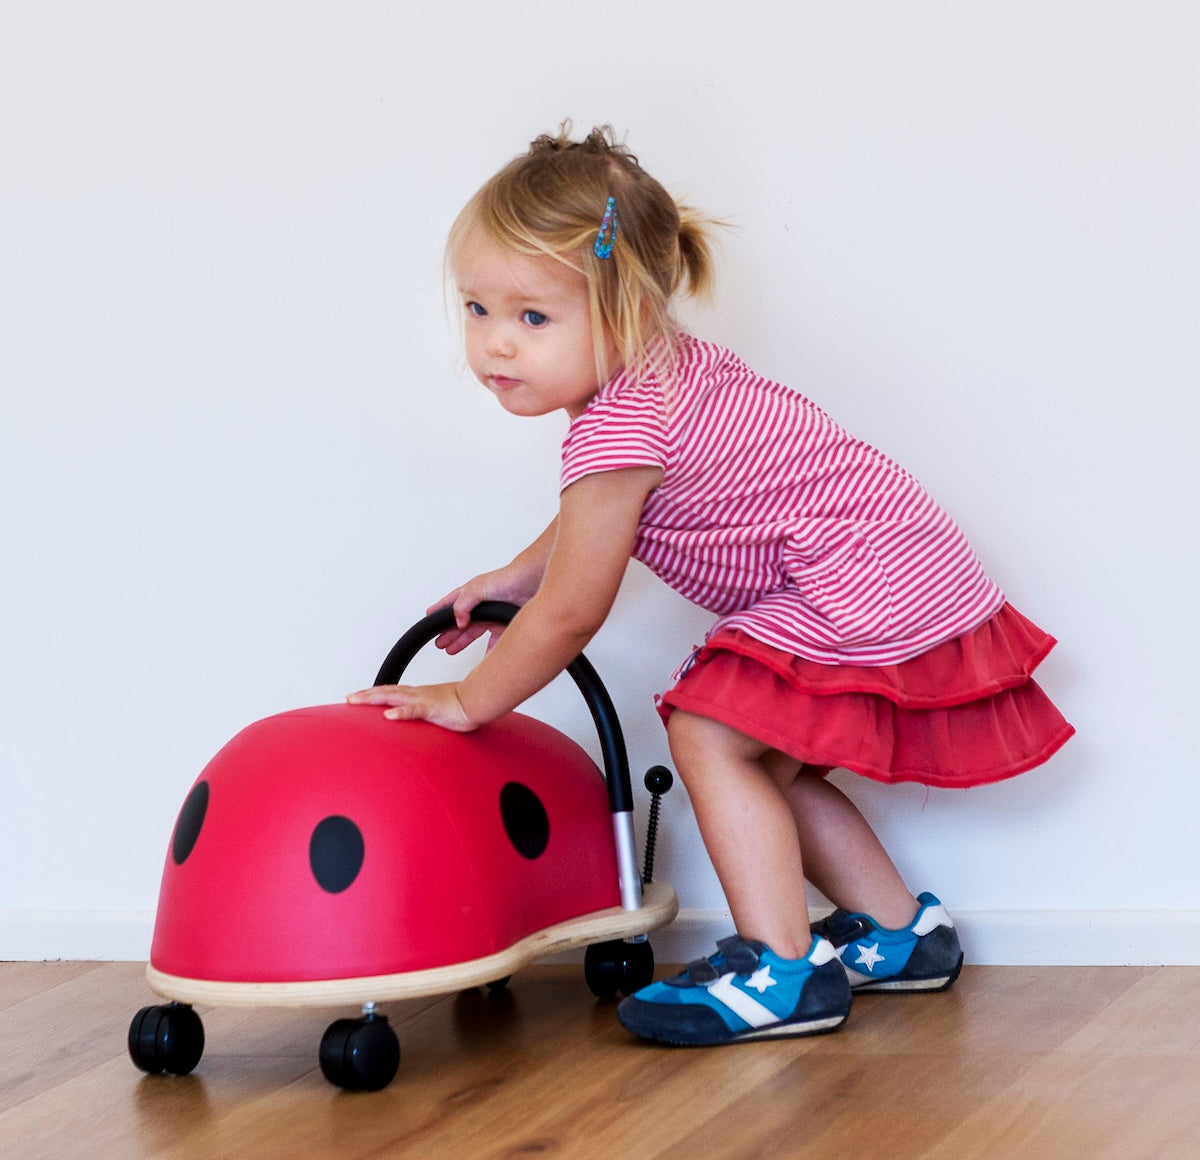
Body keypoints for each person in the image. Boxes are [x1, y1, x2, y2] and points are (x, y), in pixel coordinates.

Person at [348, 125, 1074, 1047]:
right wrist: (515, 574)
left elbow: (573, 611)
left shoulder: (613, 431)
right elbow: (591, 520)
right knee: (767, 757)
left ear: (630, 304)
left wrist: (468, 699)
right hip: (899, 562)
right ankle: (899, 935)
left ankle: (782, 969)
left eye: (533, 318)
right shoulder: (662, 375)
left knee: (704, 728)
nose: (495, 344)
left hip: (856, 575)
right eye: (478, 308)